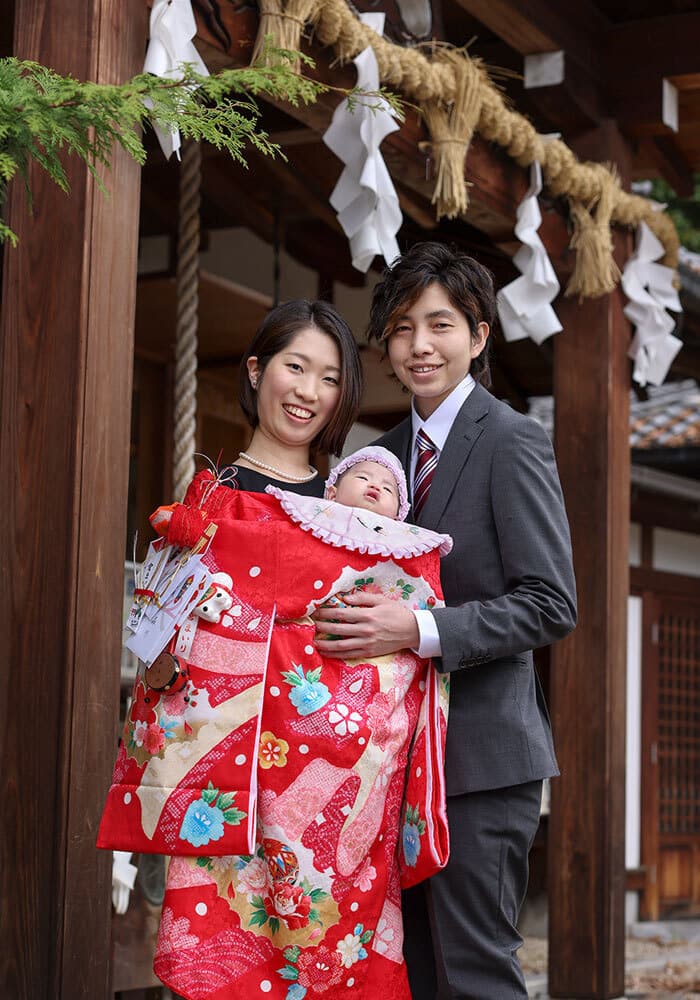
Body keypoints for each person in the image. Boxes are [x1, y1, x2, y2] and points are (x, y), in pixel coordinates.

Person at [312, 241, 577, 999]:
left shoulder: (512, 439)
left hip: (481, 765)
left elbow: (551, 602)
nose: (420, 345)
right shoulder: (379, 459)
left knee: (476, 974)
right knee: (415, 975)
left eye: (440, 324)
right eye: (401, 328)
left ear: (479, 335)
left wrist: (418, 629)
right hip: (390, 768)